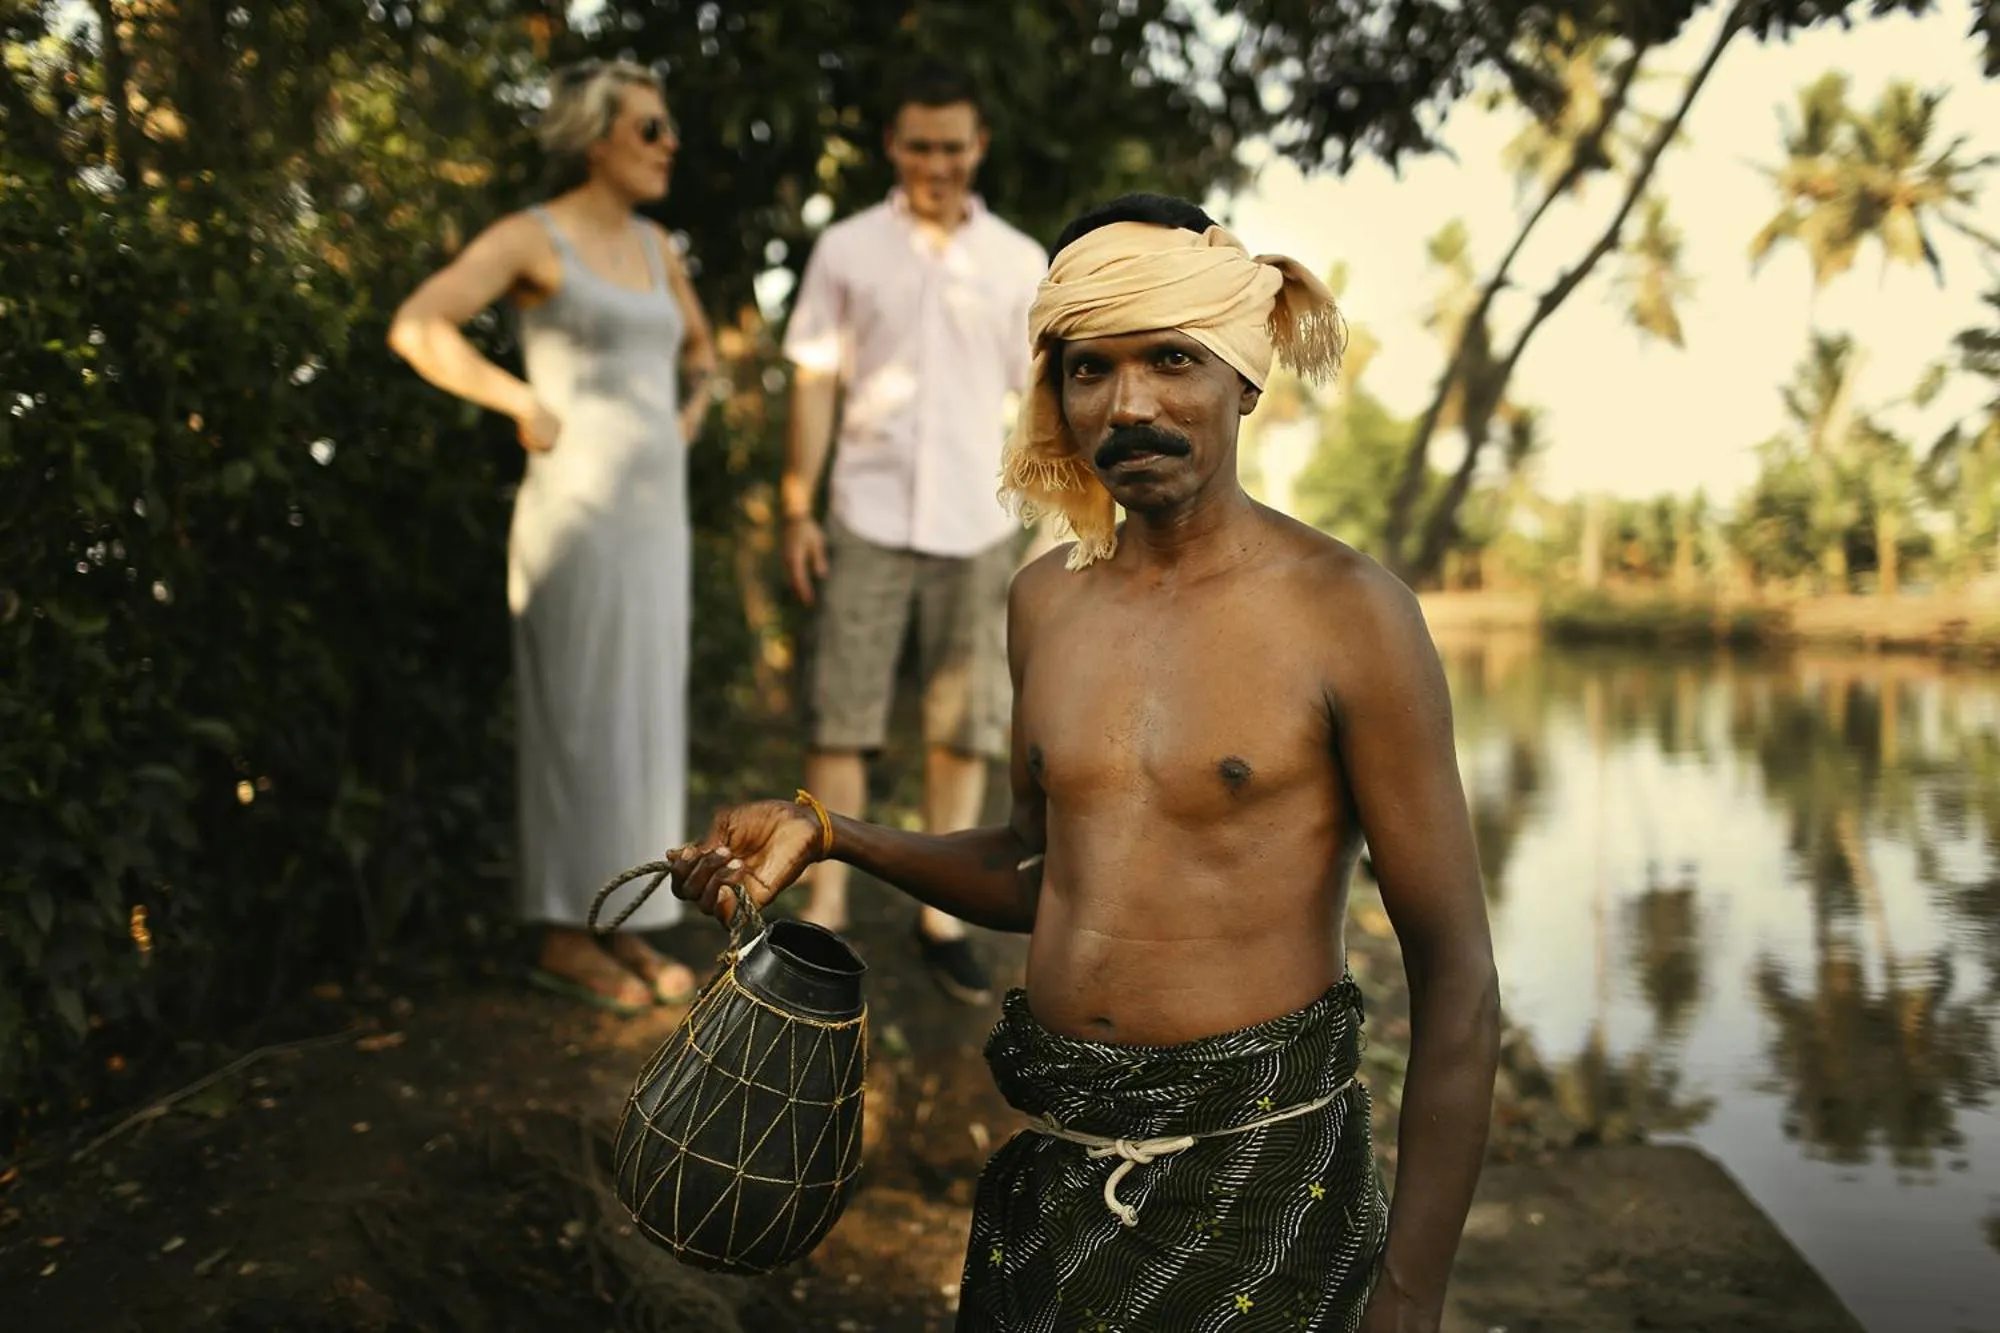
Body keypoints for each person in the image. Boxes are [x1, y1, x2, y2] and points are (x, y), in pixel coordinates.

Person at [667, 194, 1501, 1332]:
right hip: (1054, 1177)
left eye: (1170, 358)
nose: (1130, 405)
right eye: (1087, 368)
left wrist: (1407, 1295)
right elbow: (1036, 869)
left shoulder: (1349, 616)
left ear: (1244, 375)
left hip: (1258, 1183)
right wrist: (834, 831)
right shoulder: (1042, 603)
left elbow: (1455, 981)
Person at [386, 60, 715, 1015]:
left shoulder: (659, 248)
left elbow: (698, 352)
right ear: (596, 137)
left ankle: (626, 919)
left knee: (645, 715)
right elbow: (420, 324)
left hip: (658, 523)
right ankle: (564, 938)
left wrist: (690, 409)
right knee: (578, 717)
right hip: (575, 517)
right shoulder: (534, 238)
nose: (669, 145)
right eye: (650, 128)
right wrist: (516, 397)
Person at [777, 59, 1049, 1006]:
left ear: (979, 147)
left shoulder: (1020, 261)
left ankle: (942, 921)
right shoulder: (847, 250)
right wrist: (797, 506)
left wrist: (1043, 517)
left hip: (979, 520)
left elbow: (1040, 404)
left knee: (962, 725)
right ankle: (829, 916)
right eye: (920, 144)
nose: (938, 162)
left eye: (954, 145)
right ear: (894, 146)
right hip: (864, 511)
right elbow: (814, 379)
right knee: (839, 713)